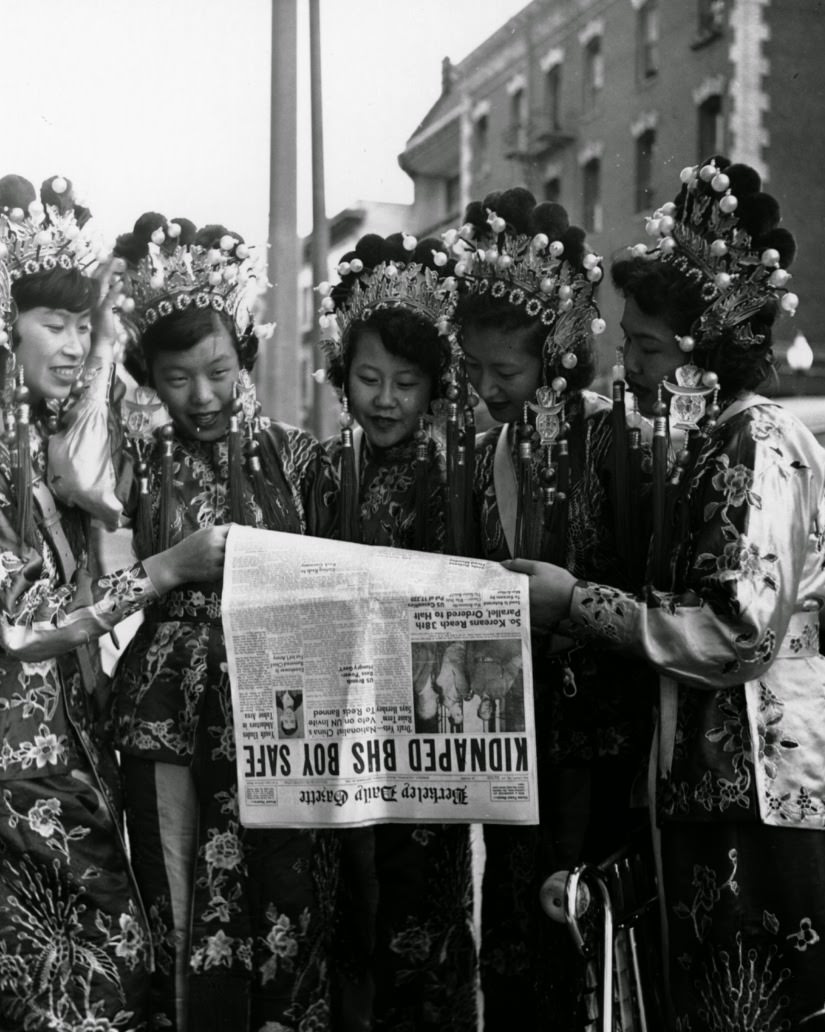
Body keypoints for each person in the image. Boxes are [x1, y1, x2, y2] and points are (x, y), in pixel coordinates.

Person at [520, 155, 825, 1030]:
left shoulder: (757, 441)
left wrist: (576, 603)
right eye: (626, 343)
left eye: (644, 347)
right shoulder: (707, 442)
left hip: (769, 765)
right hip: (713, 763)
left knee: (767, 1002)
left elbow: (733, 633)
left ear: (703, 354)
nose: (625, 366)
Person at [0, 175, 227, 1031]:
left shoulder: (36, 431)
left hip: (60, 733)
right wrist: (161, 571)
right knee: (98, 972)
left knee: (31, 986)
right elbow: (20, 616)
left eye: (85, 325)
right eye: (54, 323)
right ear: (0, 328)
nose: (76, 345)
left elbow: (126, 436)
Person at [108, 214, 335, 1031]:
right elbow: (99, 578)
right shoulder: (130, 467)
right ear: (148, 378)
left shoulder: (303, 458)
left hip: (281, 712)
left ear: (246, 355)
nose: (201, 397)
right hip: (163, 714)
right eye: (176, 379)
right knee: (171, 907)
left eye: (218, 371)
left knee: (286, 907)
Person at [449, 187, 655, 1030]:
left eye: (507, 373)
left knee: (587, 943)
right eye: (475, 372)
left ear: (559, 357)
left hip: (602, 749)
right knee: (511, 941)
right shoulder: (482, 455)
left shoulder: (619, 441)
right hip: (512, 750)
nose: (488, 390)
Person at [317, 231, 479, 1031]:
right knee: (348, 912)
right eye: (369, 378)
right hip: (340, 734)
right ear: (342, 379)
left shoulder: (460, 475)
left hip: (429, 734)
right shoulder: (319, 470)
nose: (385, 399)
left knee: (425, 916)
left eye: (405, 383)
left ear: (433, 388)